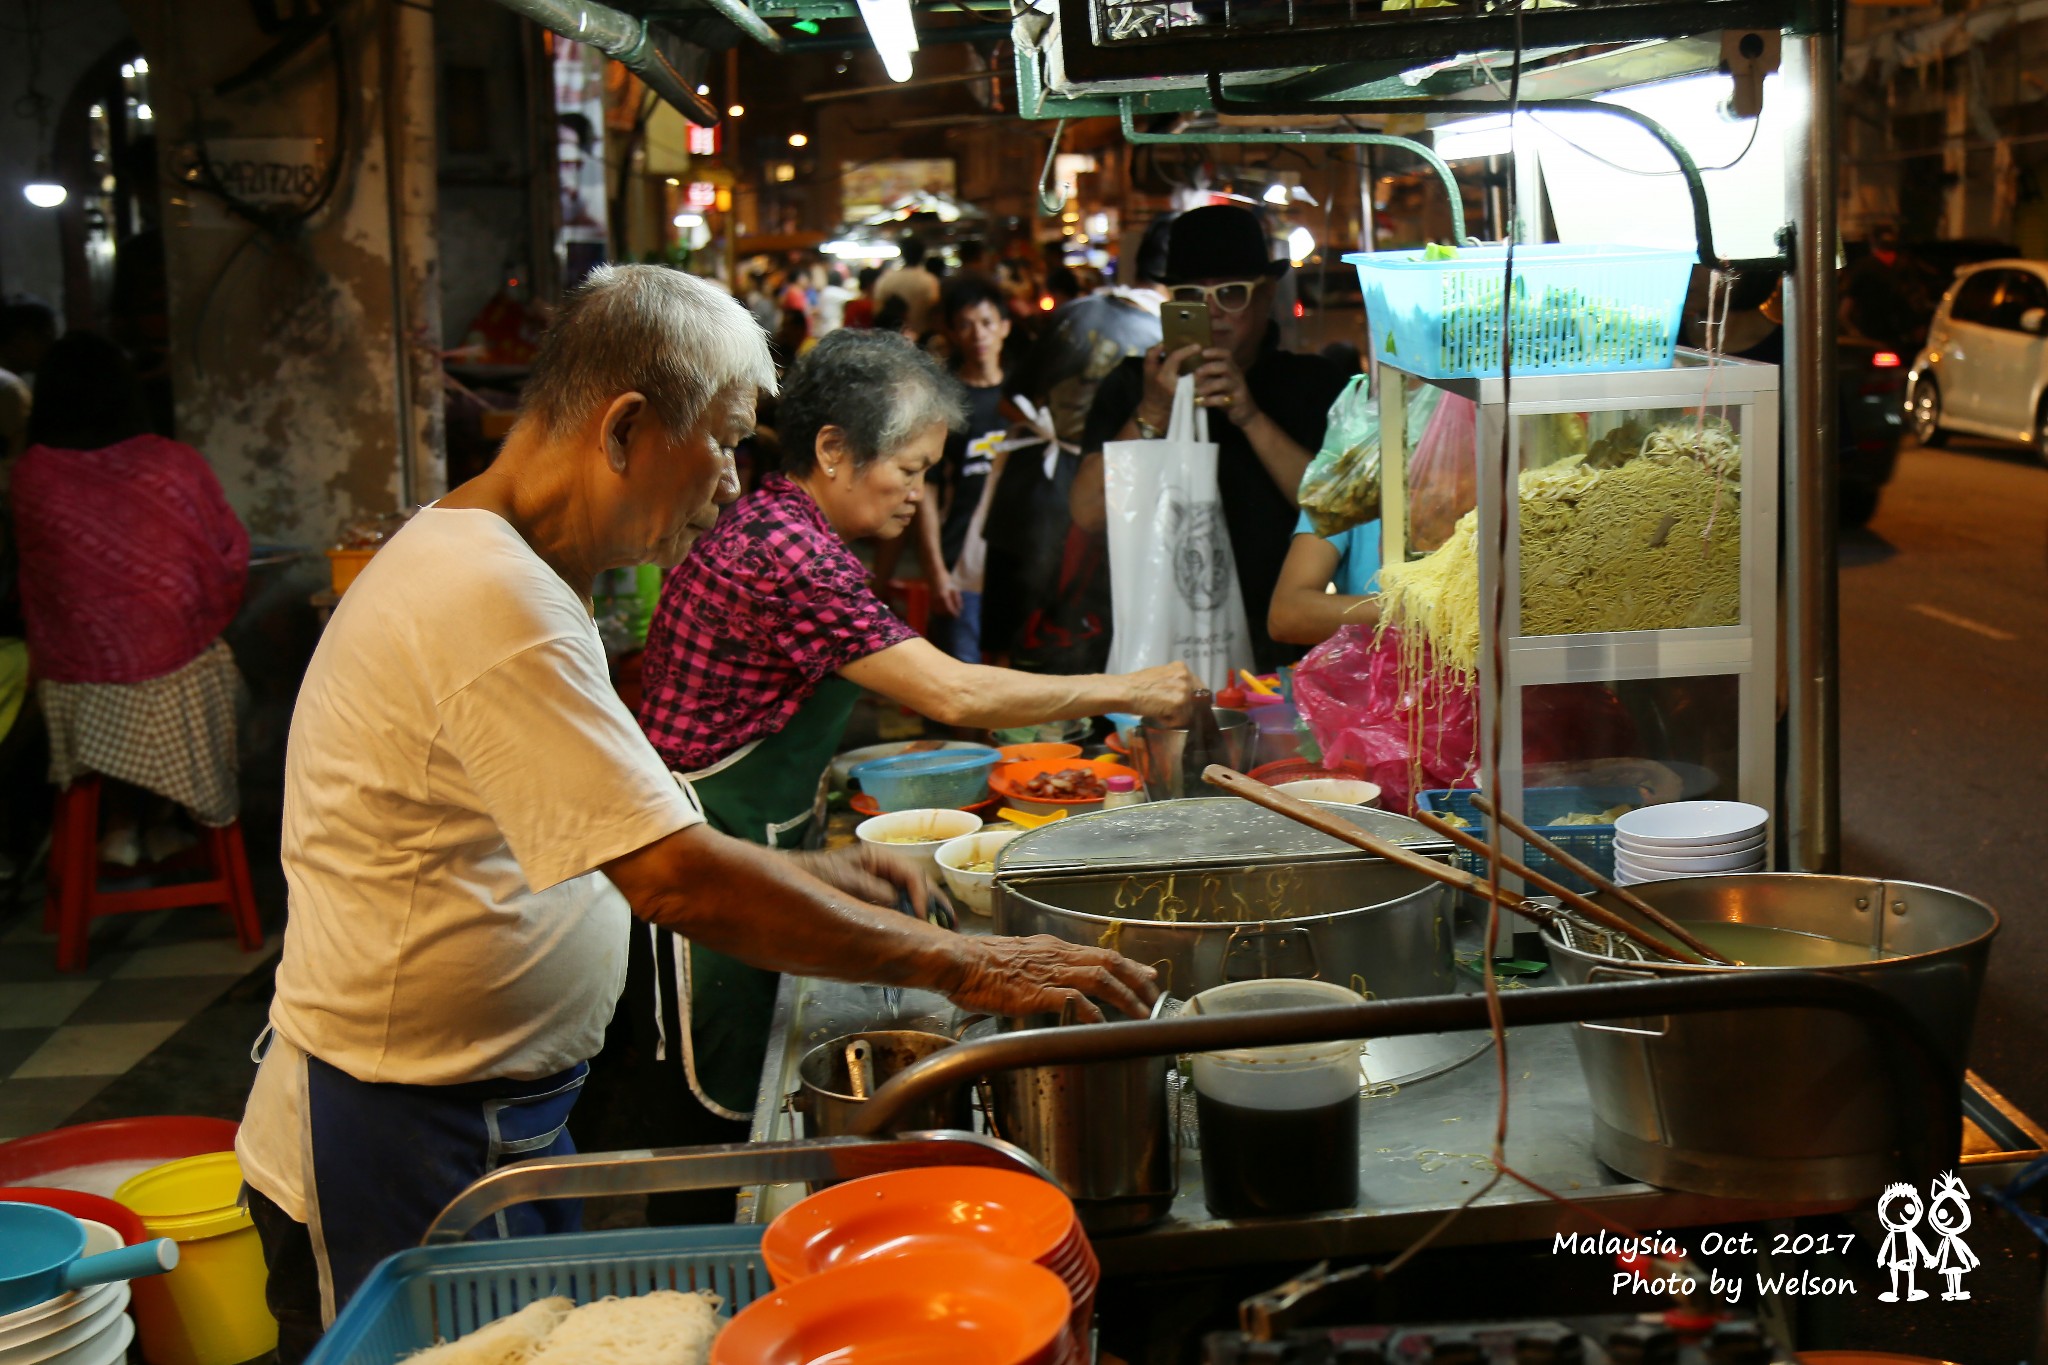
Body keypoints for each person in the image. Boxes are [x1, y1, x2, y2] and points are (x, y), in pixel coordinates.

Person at [235, 268, 1159, 1359]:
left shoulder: (508, 567)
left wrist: (810, 876)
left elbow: (608, 822)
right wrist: (966, 967)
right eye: (721, 442)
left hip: (489, 1113)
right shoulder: (491, 596)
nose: (729, 482)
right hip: (398, 1130)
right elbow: (666, 878)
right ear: (625, 429)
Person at [610, 328, 1197, 1203]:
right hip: (699, 888)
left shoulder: (782, 525)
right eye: (911, 470)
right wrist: (1138, 688)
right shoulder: (786, 551)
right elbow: (952, 693)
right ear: (834, 451)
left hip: (747, 856)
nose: (917, 494)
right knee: (715, 1165)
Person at [1069, 205, 1350, 672]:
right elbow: (1087, 513)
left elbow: (1339, 514)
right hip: (1159, 649)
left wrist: (1250, 417)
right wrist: (1154, 411)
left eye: (1232, 293)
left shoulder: (1314, 385)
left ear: (1266, 296)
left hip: (1283, 652)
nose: (1213, 310)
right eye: (1190, 295)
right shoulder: (1131, 385)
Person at [11, 332, 249, 862]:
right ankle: (165, 816)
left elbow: (43, 587)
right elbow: (229, 555)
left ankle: (124, 821)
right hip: (178, 685)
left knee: (117, 691)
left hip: (78, 690)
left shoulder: (33, 476)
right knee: (202, 671)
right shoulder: (173, 464)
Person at [900, 273, 1013, 662]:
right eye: (965, 324)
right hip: (959, 561)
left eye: (986, 322)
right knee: (964, 676)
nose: (978, 334)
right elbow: (925, 489)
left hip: (1012, 562)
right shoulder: (946, 403)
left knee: (1009, 676)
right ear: (951, 331)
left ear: (1005, 327)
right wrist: (935, 571)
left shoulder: (1019, 399)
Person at [0, 299, 58, 464]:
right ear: (21, 338)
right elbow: (17, 462)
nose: (50, 348)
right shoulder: (11, 391)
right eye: (45, 339)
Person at [874, 237, 941, 337]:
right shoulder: (930, 281)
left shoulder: (887, 279)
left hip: (892, 337)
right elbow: (934, 313)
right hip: (922, 338)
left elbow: (877, 310)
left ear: (902, 254)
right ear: (923, 256)